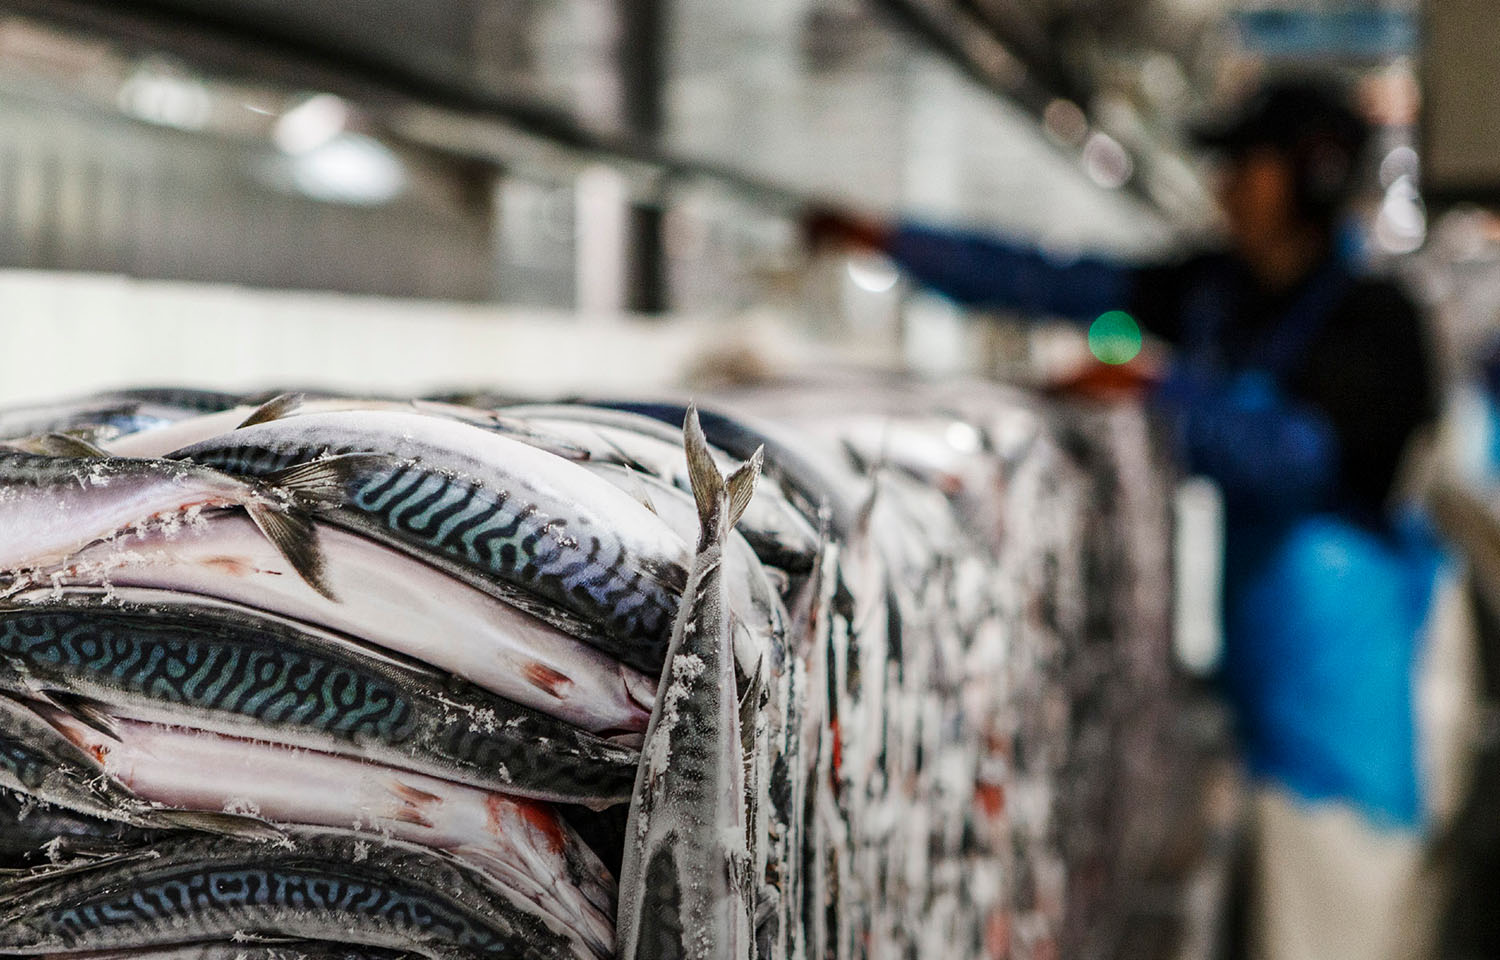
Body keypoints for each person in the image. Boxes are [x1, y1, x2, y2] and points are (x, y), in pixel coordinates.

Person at [809, 77, 1443, 960]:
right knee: (1277, 917)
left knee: (1338, 914)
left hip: (1342, 686)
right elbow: (1052, 281)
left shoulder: (1377, 319)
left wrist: (1156, 385)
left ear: (1311, 174)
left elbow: (1298, 462)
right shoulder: (1219, 286)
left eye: (1246, 166)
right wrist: (888, 239)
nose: (1225, 185)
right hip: (1268, 670)